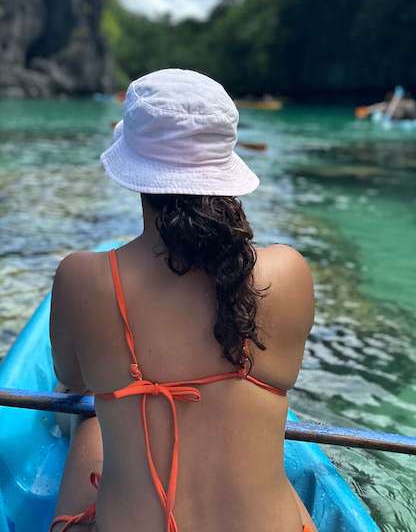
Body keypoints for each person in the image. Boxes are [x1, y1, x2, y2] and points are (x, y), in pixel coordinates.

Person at [49, 69, 316, 532]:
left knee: (90, 419)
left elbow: (72, 379)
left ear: (134, 173)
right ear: (224, 165)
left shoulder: (82, 277)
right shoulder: (289, 271)